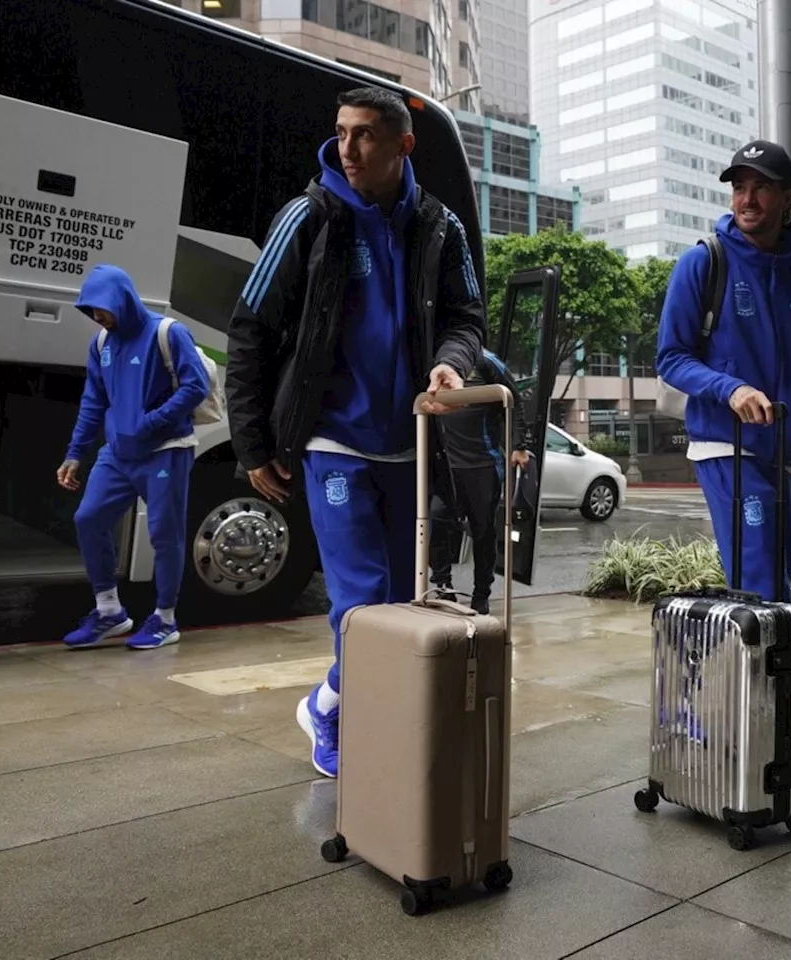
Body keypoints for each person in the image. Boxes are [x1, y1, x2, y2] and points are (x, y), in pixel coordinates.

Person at [225, 87, 484, 779]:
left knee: (403, 600)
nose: (347, 147)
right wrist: (253, 444)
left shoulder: (441, 227)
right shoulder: (309, 216)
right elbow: (251, 328)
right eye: (341, 132)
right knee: (363, 599)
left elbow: (468, 319)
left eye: (365, 134)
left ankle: (330, 703)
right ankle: (345, 720)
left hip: (409, 444)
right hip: (331, 439)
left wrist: (450, 364)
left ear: (403, 146)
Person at [655, 139, 791, 792]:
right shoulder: (701, 264)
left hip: (786, 451)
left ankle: (698, 709)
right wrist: (729, 390)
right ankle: (781, 740)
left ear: (790, 196)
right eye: (738, 186)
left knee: (778, 593)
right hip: (725, 447)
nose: (747, 198)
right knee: (764, 588)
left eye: (762, 186)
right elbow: (670, 357)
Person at [57, 263, 210, 650]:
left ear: (120, 299)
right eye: (89, 310)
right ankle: (109, 610)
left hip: (166, 452)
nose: (96, 317)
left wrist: (151, 423)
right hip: (118, 455)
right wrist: (75, 453)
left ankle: (165, 618)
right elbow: (93, 402)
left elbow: (196, 386)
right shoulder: (101, 344)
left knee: (164, 536)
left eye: (100, 308)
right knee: (88, 518)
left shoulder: (167, 333)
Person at [430, 348, 530, 615]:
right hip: (448, 462)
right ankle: (442, 583)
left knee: (482, 530)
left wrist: (519, 446)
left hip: (483, 463)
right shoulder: (434, 360)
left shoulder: (486, 361)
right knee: (436, 519)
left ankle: (481, 593)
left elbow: (515, 400)